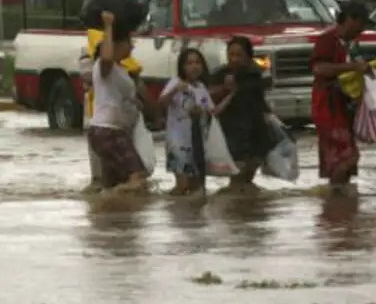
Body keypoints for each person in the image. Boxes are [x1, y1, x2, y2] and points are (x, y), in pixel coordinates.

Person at [310, 2, 372, 194]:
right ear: (351, 19)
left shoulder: (351, 44)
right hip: (328, 105)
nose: (362, 30)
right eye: (361, 24)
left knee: (343, 161)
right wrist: (353, 67)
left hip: (345, 106)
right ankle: (335, 198)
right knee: (347, 157)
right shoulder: (328, 40)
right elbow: (319, 69)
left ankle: (339, 205)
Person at [159, 48, 233, 195]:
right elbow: (161, 103)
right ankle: (172, 207)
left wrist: (231, 95)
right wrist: (175, 90)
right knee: (183, 184)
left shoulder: (201, 87)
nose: (194, 66)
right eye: (190, 63)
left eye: (198, 63)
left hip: (197, 141)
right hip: (177, 140)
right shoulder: (176, 82)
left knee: (196, 185)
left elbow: (213, 112)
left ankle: (190, 214)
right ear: (182, 67)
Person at [87, 11, 147, 191]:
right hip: (108, 131)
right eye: (129, 42)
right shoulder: (104, 66)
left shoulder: (122, 71)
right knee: (138, 178)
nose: (132, 47)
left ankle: (110, 215)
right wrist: (108, 25)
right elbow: (106, 57)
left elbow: (123, 98)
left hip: (111, 131)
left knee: (113, 184)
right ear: (117, 44)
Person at [209, 36, 274, 192]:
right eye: (231, 54)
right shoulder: (221, 74)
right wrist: (225, 89)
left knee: (249, 172)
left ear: (248, 57)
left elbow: (262, 95)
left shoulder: (257, 73)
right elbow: (208, 95)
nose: (234, 59)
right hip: (232, 129)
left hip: (256, 128)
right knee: (237, 174)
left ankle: (245, 209)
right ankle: (237, 208)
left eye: (239, 55)